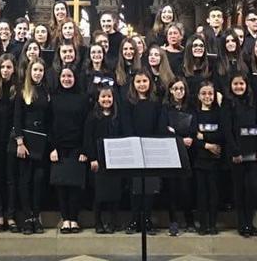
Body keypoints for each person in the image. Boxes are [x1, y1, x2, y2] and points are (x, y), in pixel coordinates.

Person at [121, 72, 164, 234]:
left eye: (144, 81)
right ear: (133, 84)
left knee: (150, 187)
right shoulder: (128, 102)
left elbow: (159, 124)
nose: (141, 84)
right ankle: (134, 219)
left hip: (151, 149)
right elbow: (126, 124)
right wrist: (134, 143)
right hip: (134, 149)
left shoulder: (155, 102)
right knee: (135, 186)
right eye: (138, 81)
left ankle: (146, 219)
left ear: (150, 82)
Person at [222, 74, 257, 238]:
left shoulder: (254, 103)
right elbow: (227, 130)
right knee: (239, 189)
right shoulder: (227, 104)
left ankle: (250, 221)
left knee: (253, 188)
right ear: (230, 86)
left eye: (241, 84)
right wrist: (235, 151)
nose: (239, 87)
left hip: (254, 154)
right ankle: (242, 223)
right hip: (236, 155)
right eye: (235, 84)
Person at [49, 67, 89, 234]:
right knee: (61, 185)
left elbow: (87, 125)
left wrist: (84, 149)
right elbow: (49, 124)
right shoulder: (54, 98)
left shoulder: (83, 98)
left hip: (77, 147)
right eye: (63, 76)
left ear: (75, 78)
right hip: (58, 148)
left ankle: (74, 219)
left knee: (74, 186)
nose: (66, 79)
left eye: (69, 76)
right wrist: (52, 148)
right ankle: (65, 219)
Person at [14, 59, 49, 234]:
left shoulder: (46, 90)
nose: (38, 73)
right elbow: (17, 118)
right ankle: (27, 217)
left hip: (42, 142)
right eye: (35, 70)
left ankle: (36, 216)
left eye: (41, 70)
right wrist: (19, 142)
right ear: (29, 71)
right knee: (25, 180)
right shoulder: (22, 90)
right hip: (25, 142)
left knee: (38, 180)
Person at [84, 86, 123, 234]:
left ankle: (113, 222)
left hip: (115, 160)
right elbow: (88, 139)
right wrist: (93, 158)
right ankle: (98, 222)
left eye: (109, 97)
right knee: (99, 194)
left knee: (114, 193)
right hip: (98, 160)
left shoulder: (117, 117)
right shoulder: (92, 116)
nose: (106, 100)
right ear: (98, 99)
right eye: (103, 97)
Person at [0, 54, 20, 233]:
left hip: (12, 139)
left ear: (14, 69)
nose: (6, 70)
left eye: (9, 67)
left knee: (11, 179)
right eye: (3, 67)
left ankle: (11, 215)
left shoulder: (18, 88)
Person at [161, 78, 196, 235]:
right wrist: (181, 138)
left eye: (182, 89)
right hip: (171, 153)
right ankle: (173, 221)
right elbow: (164, 130)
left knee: (187, 189)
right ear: (170, 91)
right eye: (176, 89)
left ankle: (189, 220)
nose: (179, 91)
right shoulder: (165, 109)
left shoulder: (191, 108)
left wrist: (179, 134)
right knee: (172, 189)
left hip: (189, 154)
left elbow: (194, 129)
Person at [193, 81, 224, 235]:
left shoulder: (219, 113)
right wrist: (207, 145)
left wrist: (204, 136)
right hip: (199, 160)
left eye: (210, 93)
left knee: (214, 193)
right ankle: (203, 224)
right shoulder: (195, 114)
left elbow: (222, 134)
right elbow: (193, 137)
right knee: (201, 193)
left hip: (215, 161)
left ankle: (212, 224)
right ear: (199, 96)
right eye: (204, 93)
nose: (207, 96)